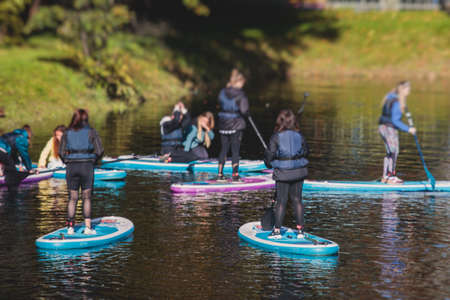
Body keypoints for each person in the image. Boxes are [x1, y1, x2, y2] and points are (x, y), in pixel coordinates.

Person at [264, 109, 309, 239]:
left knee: (281, 202)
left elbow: (269, 155)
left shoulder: (276, 137)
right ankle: (301, 231)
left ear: (280, 121)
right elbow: (306, 152)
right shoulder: (300, 136)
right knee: (297, 200)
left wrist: (269, 163)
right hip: (299, 172)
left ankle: (277, 231)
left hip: (283, 173)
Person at [59, 109, 104, 235]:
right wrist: (93, 160)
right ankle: (88, 228)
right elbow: (100, 150)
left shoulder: (66, 132)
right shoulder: (91, 131)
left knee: (72, 198)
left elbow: (61, 152)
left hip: (71, 167)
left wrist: (67, 161)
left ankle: (70, 228)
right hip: (86, 166)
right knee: (87, 197)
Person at [378, 81, 416, 184]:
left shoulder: (390, 96)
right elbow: (395, 120)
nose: (409, 91)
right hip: (389, 129)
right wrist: (409, 129)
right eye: (408, 89)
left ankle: (385, 177)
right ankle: (391, 177)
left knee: (390, 151)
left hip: (382, 127)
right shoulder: (397, 101)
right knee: (394, 151)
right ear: (403, 90)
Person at [217, 69, 249, 181]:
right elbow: (244, 110)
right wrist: (247, 113)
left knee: (224, 148)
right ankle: (235, 174)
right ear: (239, 82)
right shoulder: (241, 94)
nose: (242, 86)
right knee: (235, 150)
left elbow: (220, 103)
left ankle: (219, 174)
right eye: (242, 83)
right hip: (236, 124)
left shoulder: (222, 92)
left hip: (223, 123)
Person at [0, 125, 35, 190]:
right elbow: (24, 155)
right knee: (12, 175)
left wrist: (18, 164)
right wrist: (29, 169)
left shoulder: (13, 135)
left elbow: (13, 154)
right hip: (2, 150)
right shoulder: (22, 138)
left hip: (2, 150)